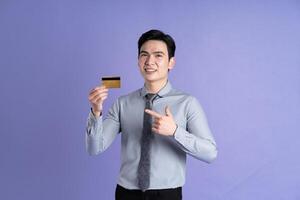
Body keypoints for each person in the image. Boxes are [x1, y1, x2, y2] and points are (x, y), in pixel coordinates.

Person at [86, 29, 218, 200]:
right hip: (126, 193)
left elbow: (210, 153)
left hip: (167, 194)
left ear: (171, 62)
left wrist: (175, 131)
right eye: (144, 55)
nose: (150, 61)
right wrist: (96, 112)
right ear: (138, 61)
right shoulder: (122, 103)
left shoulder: (187, 103)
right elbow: (94, 148)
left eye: (158, 55)